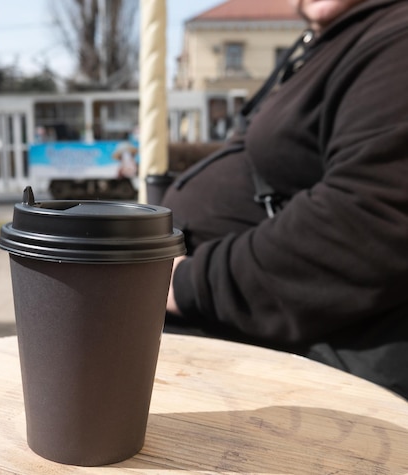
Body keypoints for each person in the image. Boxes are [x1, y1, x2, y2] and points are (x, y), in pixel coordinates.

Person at [163, 0, 408, 400]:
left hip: (308, 370)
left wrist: (186, 284)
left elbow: (368, 222)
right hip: (245, 336)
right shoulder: (342, 38)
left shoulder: (397, 35)